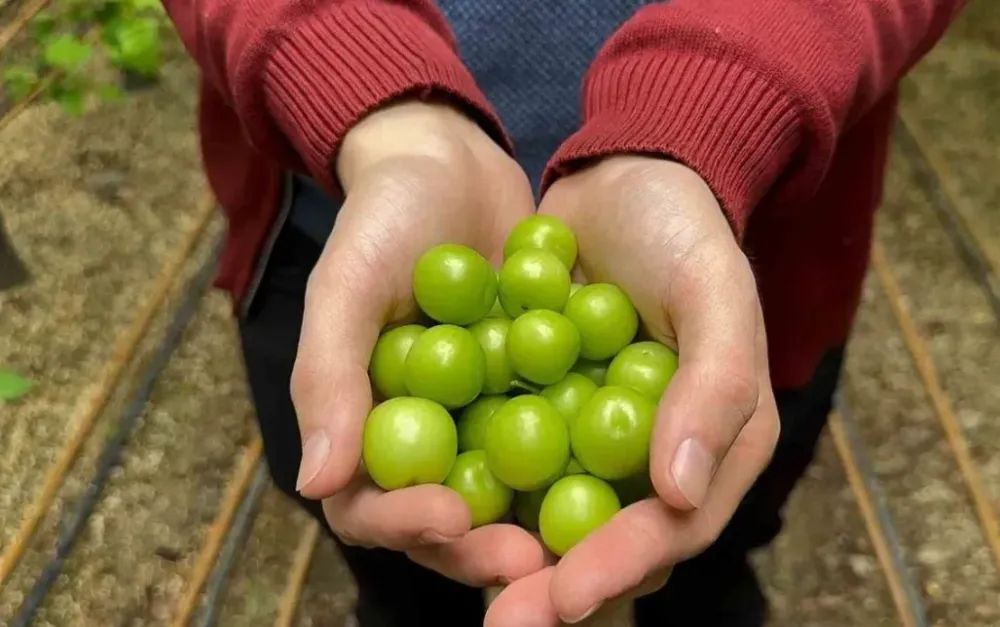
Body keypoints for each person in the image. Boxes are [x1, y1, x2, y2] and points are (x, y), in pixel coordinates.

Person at [162, 1, 967, 625]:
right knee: (402, 571)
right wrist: (350, 69)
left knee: (711, 543)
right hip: (347, 224)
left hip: (739, 270)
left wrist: (715, 103)